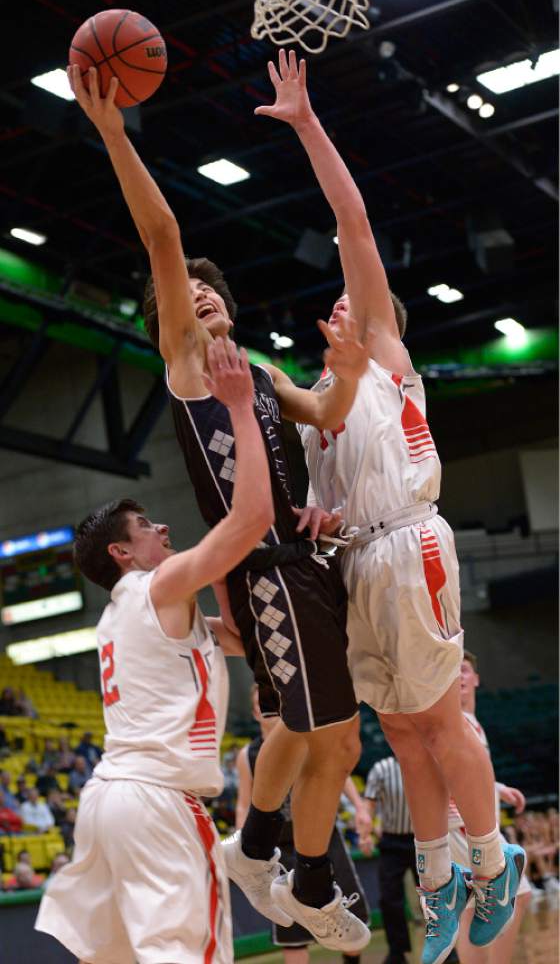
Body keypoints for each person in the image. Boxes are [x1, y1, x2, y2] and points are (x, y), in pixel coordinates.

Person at [68, 62, 372, 953]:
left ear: (231, 307)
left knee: (293, 726)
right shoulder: (193, 366)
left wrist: (347, 369)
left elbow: (329, 413)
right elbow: (163, 237)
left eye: (212, 288)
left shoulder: (264, 372)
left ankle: (261, 846)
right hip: (269, 569)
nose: (198, 291)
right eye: (186, 291)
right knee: (337, 742)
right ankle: (297, 875)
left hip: (298, 559)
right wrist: (117, 135)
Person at [256, 49, 526, 964]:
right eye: (334, 301)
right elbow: (316, 492)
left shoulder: (387, 364)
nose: (342, 303)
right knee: (404, 731)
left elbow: (353, 223)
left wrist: (303, 124)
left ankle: (496, 862)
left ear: (381, 325)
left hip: (413, 545)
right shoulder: (320, 409)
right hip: (357, 563)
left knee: (441, 721)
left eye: (357, 302)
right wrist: (322, 520)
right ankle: (443, 881)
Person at [35, 335, 275, 964]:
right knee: (187, 954)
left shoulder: (136, 612)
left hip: (110, 802)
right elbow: (249, 520)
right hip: (159, 801)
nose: (164, 528)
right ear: (121, 553)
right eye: (147, 527)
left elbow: (249, 643)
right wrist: (243, 409)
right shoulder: (154, 586)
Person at [236, 686, 371, 964]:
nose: (270, 709)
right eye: (263, 704)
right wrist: (243, 846)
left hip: (323, 839)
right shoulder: (247, 755)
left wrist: (359, 807)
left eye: (274, 701)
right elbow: (243, 804)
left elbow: (337, 774)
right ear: (254, 713)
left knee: (350, 919)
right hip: (280, 848)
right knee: (292, 935)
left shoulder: (305, 739)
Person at [450, 652, 531, 964]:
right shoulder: (453, 722)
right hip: (464, 826)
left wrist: (498, 788)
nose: (459, 676)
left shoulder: (471, 723)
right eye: (452, 670)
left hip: (465, 827)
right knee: (517, 895)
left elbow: (469, 774)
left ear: (476, 679)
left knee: (471, 910)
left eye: (465, 669)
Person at [361, 755, 422, 964]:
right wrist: (365, 835)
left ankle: (445, 946)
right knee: (389, 899)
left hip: (422, 839)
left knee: (434, 896)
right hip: (391, 842)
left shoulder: (426, 762)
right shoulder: (381, 768)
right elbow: (368, 806)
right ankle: (397, 952)